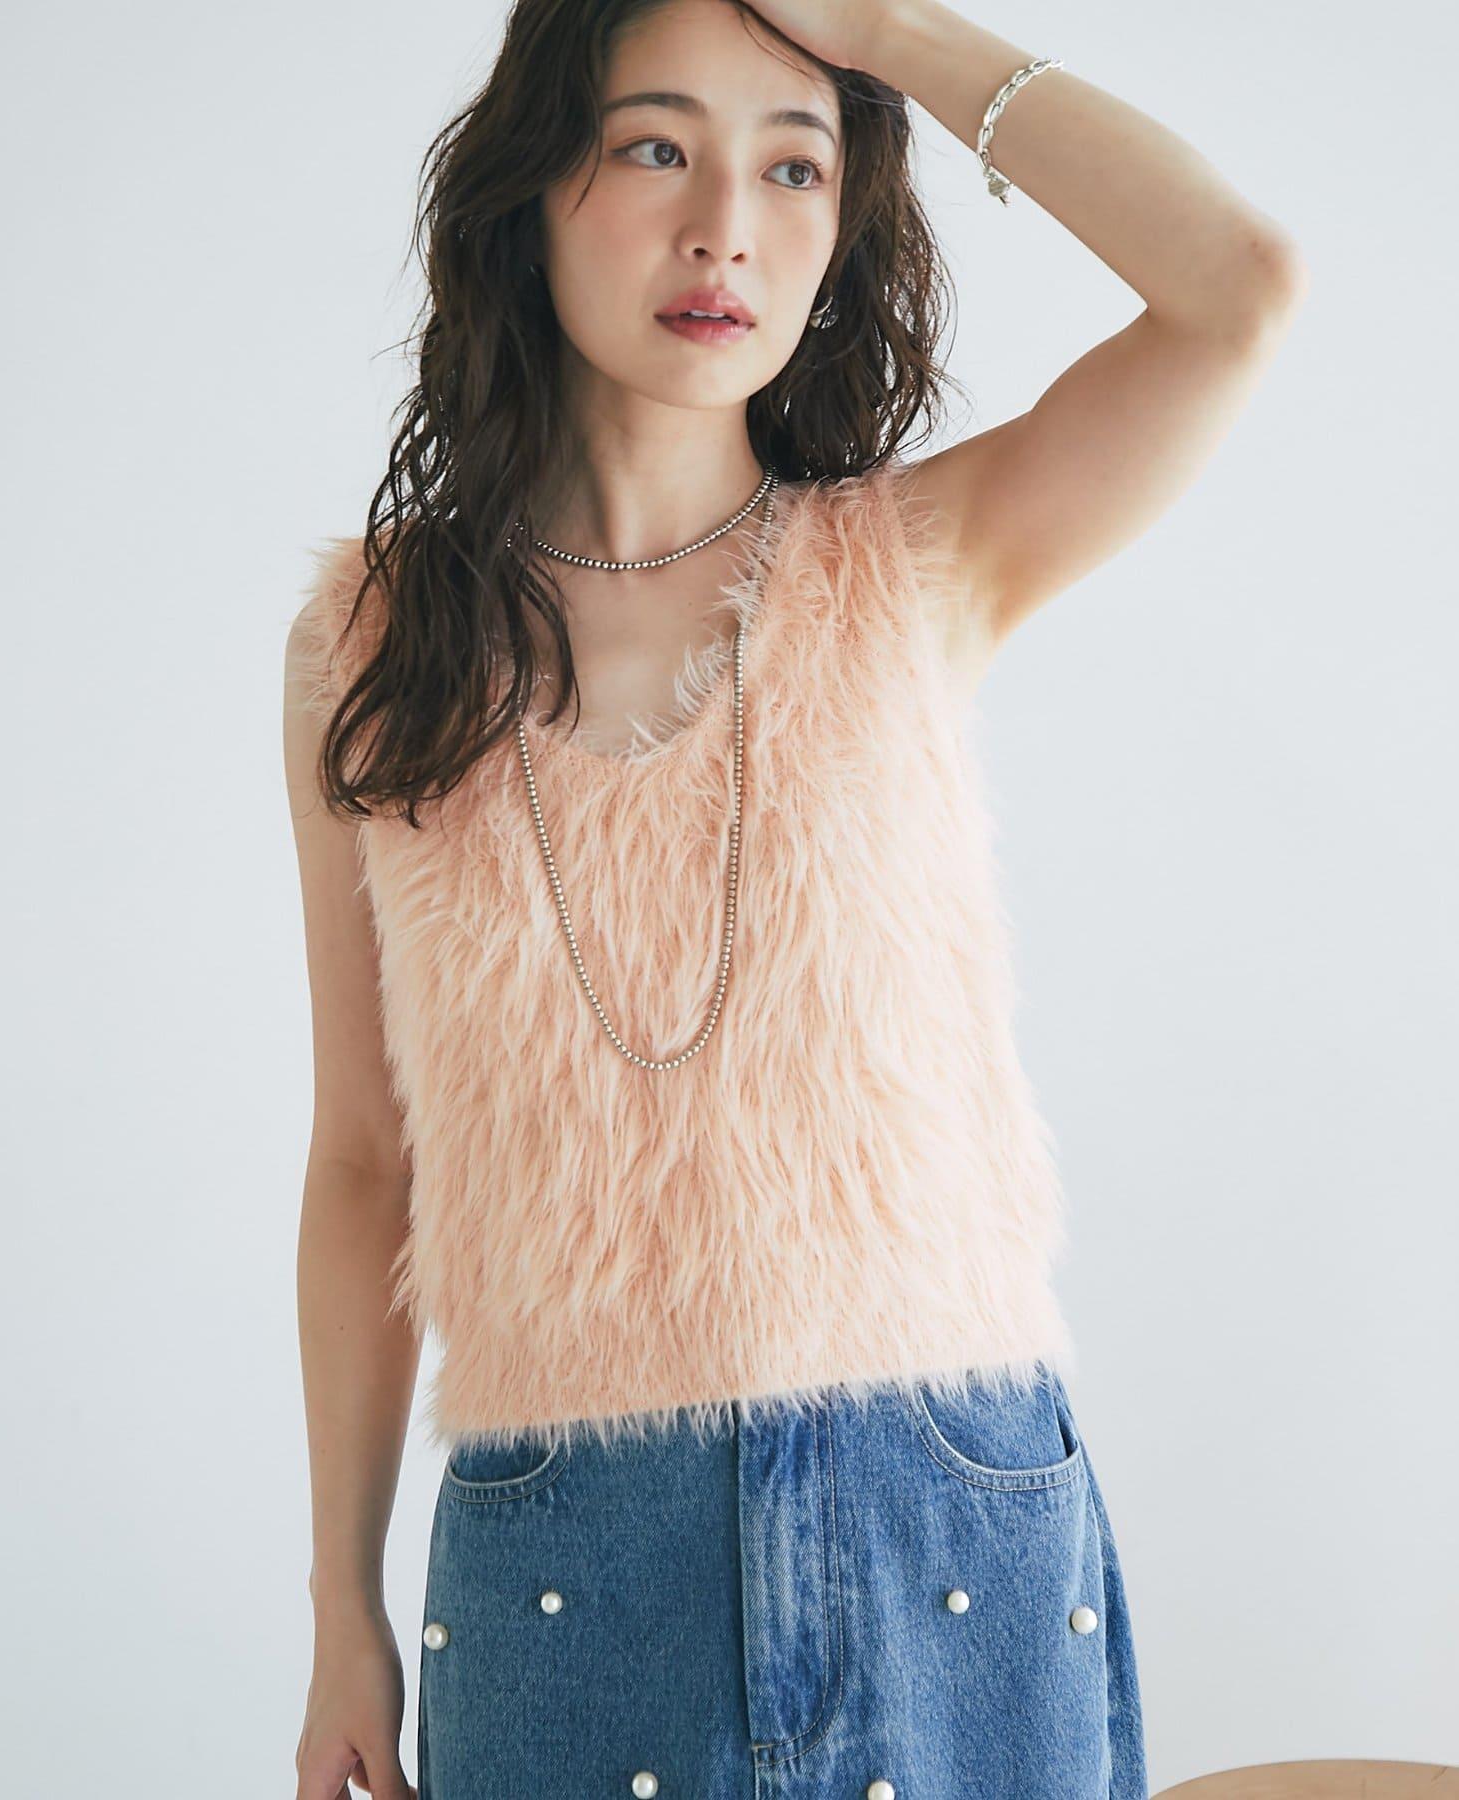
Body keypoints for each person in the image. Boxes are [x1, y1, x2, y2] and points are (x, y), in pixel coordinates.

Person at [283, 2, 1307, 1796]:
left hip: (946, 1508)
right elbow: (369, 1161)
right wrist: (340, 1608)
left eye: (794, 167)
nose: (725, 230)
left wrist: (886, 32)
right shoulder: (370, 643)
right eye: (655, 146)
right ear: (530, 189)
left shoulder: (919, 562)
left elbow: (1236, 289)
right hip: (560, 1548)